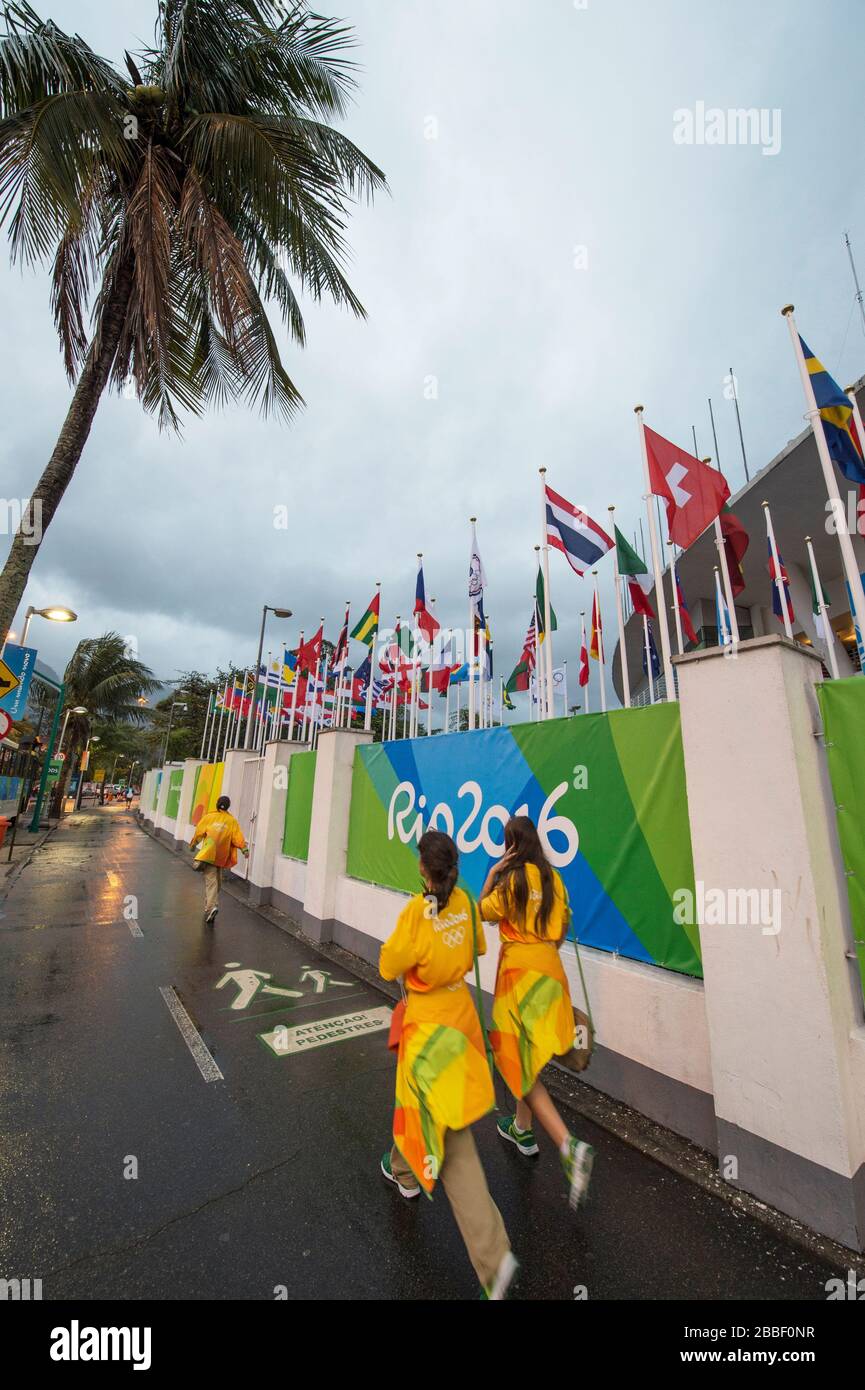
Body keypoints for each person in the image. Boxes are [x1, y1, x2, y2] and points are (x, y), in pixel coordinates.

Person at [379, 829, 518, 1300]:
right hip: (459, 1022)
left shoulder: (416, 913)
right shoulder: (462, 903)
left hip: (428, 1029)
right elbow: (478, 946)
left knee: (454, 1145)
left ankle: (494, 1260)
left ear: (423, 869)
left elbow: (387, 964)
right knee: (410, 1099)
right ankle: (402, 1169)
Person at [479, 815, 594, 1210]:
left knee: (512, 1060)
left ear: (511, 845)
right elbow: (560, 931)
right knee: (529, 1058)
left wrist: (493, 872)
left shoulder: (510, 880)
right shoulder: (554, 879)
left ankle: (567, 1143)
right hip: (551, 973)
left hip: (518, 978)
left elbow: (482, 911)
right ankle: (522, 1129)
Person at [188, 795, 248, 924]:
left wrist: (193, 844)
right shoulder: (231, 821)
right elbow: (237, 837)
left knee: (215, 883)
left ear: (217, 804)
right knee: (214, 883)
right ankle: (210, 908)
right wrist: (244, 849)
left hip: (209, 855)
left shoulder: (209, 817)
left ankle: (210, 906)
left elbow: (199, 832)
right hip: (221, 857)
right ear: (228, 806)